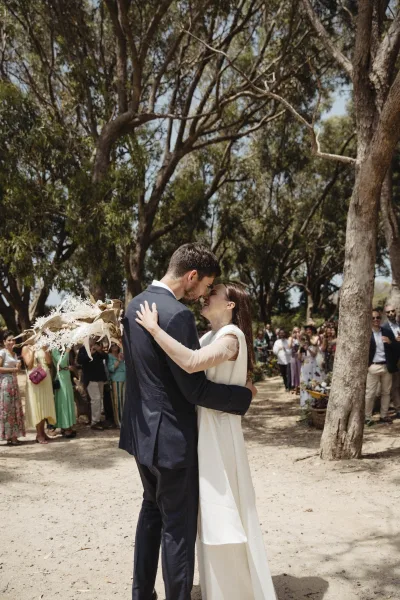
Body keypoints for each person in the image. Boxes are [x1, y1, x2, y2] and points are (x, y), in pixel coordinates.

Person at [119, 243, 254, 600]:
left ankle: (141, 594)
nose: (204, 293)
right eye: (205, 285)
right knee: (177, 527)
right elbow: (193, 388)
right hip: (173, 439)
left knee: (151, 512)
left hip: (140, 434)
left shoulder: (134, 306)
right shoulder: (177, 315)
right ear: (191, 276)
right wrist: (242, 398)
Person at [136, 281, 276, 600]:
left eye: (214, 293)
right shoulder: (207, 337)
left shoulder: (231, 337)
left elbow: (191, 363)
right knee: (209, 514)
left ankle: (238, 590)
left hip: (221, 433)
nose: (205, 295)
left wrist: (155, 330)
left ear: (229, 305)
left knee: (224, 508)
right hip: (204, 428)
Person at [365, 308, 399, 426]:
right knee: (370, 393)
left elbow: (396, 348)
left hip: (386, 366)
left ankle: (384, 415)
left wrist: (390, 342)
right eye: (373, 318)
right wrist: (368, 366)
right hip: (373, 367)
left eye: (378, 318)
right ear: (370, 320)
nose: (376, 320)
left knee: (386, 393)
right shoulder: (366, 334)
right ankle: (368, 417)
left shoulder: (387, 331)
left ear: (381, 319)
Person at [22, 343, 56, 444]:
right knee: (37, 406)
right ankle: (39, 434)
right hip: (35, 380)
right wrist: (32, 352)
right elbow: (29, 364)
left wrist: (45, 349)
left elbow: (49, 362)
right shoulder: (26, 348)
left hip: (45, 379)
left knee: (44, 406)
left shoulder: (43, 345)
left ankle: (43, 432)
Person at [0, 330, 25, 445]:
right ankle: (7, 435)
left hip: (14, 382)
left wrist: (17, 368)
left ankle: (13, 436)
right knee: (7, 410)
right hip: (5, 383)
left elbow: (16, 370)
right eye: (9, 340)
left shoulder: (14, 354)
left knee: (14, 409)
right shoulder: (2, 353)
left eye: (13, 339)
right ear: (4, 342)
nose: (11, 342)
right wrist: (13, 369)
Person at [77, 339, 108, 430]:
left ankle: (98, 419)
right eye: (91, 338)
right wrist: (91, 353)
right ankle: (94, 422)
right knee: (96, 399)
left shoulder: (98, 347)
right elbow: (79, 361)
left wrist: (99, 351)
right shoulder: (83, 349)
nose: (93, 340)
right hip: (90, 379)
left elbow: (106, 357)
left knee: (100, 399)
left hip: (100, 378)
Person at [51, 348, 77, 438]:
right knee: (63, 401)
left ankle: (68, 426)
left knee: (68, 400)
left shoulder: (62, 349)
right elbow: (61, 363)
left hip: (66, 375)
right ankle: (65, 426)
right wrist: (67, 352)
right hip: (61, 377)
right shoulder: (54, 350)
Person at [383, 304, 400, 418]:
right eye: (388, 312)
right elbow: (386, 346)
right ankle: (398, 409)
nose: (391, 314)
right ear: (386, 314)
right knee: (396, 386)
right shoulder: (384, 328)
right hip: (394, 361)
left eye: (392, 311)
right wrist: (395, 341)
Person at [107, 343, 126, 428]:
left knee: (124, 400)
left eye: (116, 345)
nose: (114, 346)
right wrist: (118, 360)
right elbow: (111, 368)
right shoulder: (109, 356)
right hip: (116, 379)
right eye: (112, 345)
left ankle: (125, 420)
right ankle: (118, 421)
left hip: (125, 378)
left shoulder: (123, 353)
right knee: (117, 401)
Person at [298, 333, 319, 407]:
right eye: (303, 340)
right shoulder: (301, 348)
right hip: (304, 368)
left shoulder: (313, 346)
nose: (304, 341)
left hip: (313, 367)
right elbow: (299, 359)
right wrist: (301, 350)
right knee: (304, 383)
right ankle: (304, 402)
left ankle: (313, 402)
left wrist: (308, 349)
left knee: (312, 383)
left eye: (305, 339)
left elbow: (314, 355)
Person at [288, 327, 301, 392]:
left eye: (298, 331)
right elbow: (289, 346)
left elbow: (301, 345)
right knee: (293, 371)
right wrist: (292, 338)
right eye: (295, 332)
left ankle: (299, 385)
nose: (297, 333)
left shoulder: (301, 338)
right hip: (293, 356)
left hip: (299, 356)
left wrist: (299, 338)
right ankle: (295, 385)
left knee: (299, 371)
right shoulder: (290, 338)